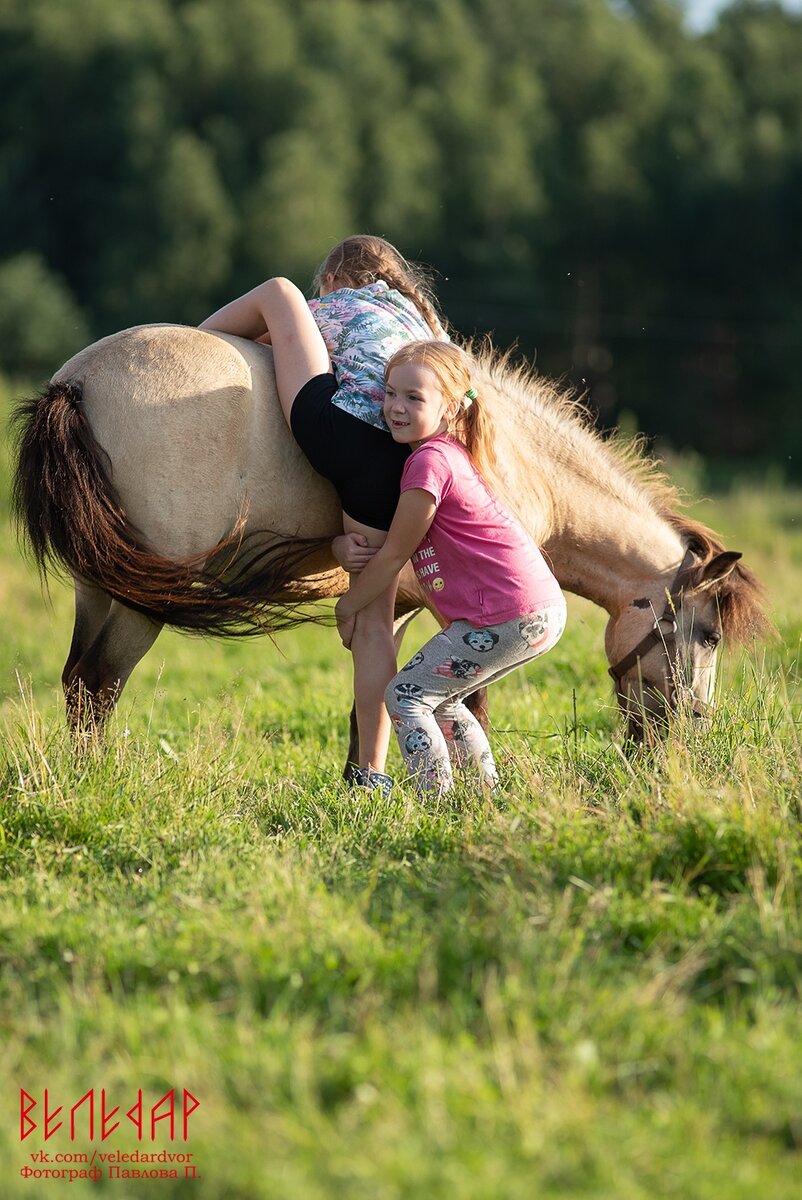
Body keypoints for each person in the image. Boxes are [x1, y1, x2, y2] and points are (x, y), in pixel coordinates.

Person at [199, 236, 445, 793]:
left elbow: (273, 337)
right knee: (375, 624)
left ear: (334, 280)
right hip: (404, 457)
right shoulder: (423, 323)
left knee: (277, 293)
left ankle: (191, 339)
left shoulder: (335, 304)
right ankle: (371, 774)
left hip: (343, 434)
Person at [334, 341, 566, 795]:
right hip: (536, 610)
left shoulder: (428, 463)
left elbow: (394, 555)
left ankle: (436, 801)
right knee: (442, 699)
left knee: (405, 694)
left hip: (508, 615)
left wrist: (347, 607)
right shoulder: (447, 453)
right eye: (390, 393)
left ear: (451, 408)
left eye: (413, 398)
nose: (395, 408)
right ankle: (482, 795)